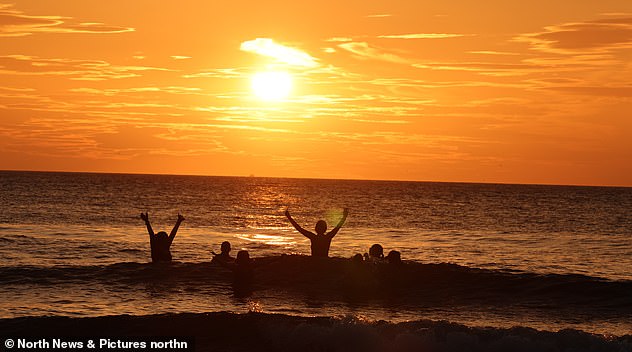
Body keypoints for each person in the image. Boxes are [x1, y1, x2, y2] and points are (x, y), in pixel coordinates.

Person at [285, 208, 349, 258]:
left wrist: (289, 217)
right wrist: (344, 217)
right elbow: (338, 226)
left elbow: (299, 229)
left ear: (316, 228)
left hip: (314, 261)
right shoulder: (328, 237)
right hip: (324, 261)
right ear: (325, 229)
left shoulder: (314, 237)